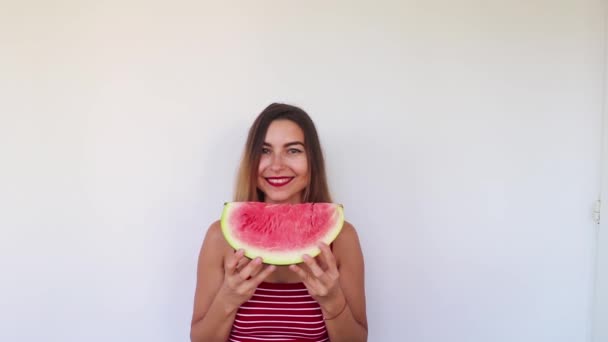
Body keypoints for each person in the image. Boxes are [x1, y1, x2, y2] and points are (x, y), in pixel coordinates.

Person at [190, 103, 368, 342]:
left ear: (312, 161)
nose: (276, 165)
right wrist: (228, 299)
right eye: (264, 151)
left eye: (293, 151)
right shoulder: (219, 237)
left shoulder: (342, 238)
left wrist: (333, 302)